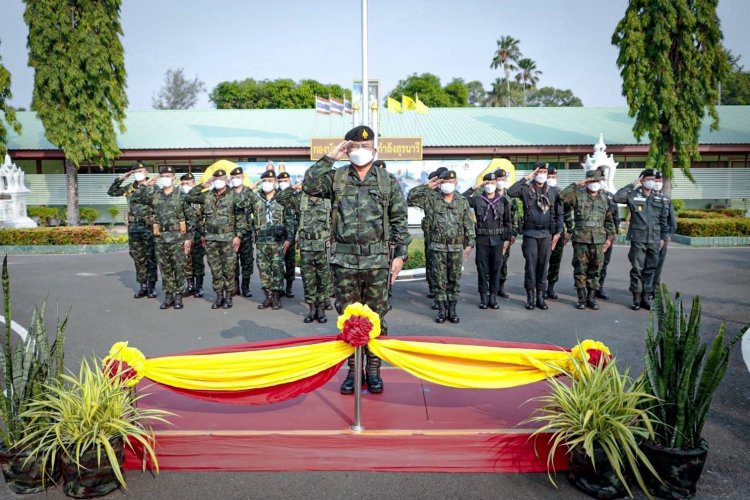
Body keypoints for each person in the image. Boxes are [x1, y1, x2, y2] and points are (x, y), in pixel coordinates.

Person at [303, 125, 411, 395]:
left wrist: (400, 256)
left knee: (376, 318)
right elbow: (309, 185)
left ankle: (373, 371)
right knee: (348, 319)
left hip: (377, 262)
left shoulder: (387, 181)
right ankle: (352, 370)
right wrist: (331, 155)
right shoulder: (337, 178)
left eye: (364, 147)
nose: (359, 151)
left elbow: (399, 220)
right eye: (353, 147)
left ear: (375, 149)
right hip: (344, 261)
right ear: (347, 149)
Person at [409, 169, 475, 323]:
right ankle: (441, 310)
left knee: (454, 280)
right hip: (437, 247)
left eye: (450, 182)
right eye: (444, 182)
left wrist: (470, 242)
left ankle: (452, 310)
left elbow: (468, 223)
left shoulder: (461, 201)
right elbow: (410, 198)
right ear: (440, 183)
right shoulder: (432, 199)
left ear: (455, 183)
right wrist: (428, 185)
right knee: (439, 280)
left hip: (456, 247)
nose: (447, 185)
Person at [131, 166, 194, 310]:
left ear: (174, 178)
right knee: (165, 268)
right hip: (160, 238)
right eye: (162, 175)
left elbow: (191, 219)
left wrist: (188, 238)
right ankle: (168, 296)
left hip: (178, 236)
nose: (165, 178)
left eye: (168, 175)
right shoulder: (155, 195)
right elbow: (135, 197)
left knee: (178, 267)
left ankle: (178, 296)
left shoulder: (182, 195)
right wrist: (146, 184)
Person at [185, 169, 247, 309]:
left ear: (226, 180)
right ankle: (219, 295)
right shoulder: (207, 195)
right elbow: (189, 197)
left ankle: (229, 296)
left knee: (229, 269)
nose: (218, 181)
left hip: (228, 237)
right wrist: (204, 184)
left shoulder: (233, 196)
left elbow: (241, 217)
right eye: (216, 179)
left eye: (221, 179)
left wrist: (238, 236)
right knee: (215, 268)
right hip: (211, 238)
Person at [507, 162, 564, 310]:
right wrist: (526, 178)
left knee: (543, 266)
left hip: (546, 233)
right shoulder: (526, 188)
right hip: (531, 233)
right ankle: (530, 297)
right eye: (540, 171)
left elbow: (559, 213)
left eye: (545, 171)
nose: (543, 174)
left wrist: (558, 232)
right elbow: (511, 192)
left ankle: (540, 296)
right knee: (531, 266)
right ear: (534, 172)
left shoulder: (553, 191)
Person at [277, 181, 333, 323]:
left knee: (323, 279)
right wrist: (294, 187)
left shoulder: (329, 199)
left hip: (323, 246)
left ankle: (321, 309)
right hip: (306, 246)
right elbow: (281, 198)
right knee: (308, 280)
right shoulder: (300, 199)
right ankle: (312, 308)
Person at [613, 169, 670, 310]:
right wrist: (634, 183)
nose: (651, 181)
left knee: (650, 269)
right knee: (637, 268)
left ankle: (646, 297)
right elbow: (617, 197)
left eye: (653, 179)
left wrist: (663, 237)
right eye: (648, 178)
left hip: (655, 238)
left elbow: (663, 219)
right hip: (638, 238)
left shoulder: (659, 198)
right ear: (642, 179)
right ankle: (636, 298)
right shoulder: (633, 195)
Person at [559, 171, 616, 310]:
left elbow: (609, 221)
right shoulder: (578, 195)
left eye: (597, 181)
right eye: (591, 181)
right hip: (581, 239)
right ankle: (581, 298)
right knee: (580, 268)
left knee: (596, 269)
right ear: (587, 181)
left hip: (598, 240)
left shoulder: (604, 198)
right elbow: (561, 197)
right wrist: (577, 184)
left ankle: (591, 298)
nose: (594, 184)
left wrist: (609, 238)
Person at [108, 161, 158, 299]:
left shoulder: (153, 186)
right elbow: (111, 192)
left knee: (151, 257)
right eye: (135, 172)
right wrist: (121, 178)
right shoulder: (129, 187)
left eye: (141, 172)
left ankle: (152, 286)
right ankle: (142, 286)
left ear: (147, 172)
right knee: (138, 257)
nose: (138, 174)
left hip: (149, 226)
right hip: (134, 227)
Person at [463, 171, 512, 309]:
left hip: (498, 240)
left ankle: (493, 297)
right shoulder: (478, 199)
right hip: (482, 240)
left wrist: (507, 240)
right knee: (482, 270)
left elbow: (508, 222)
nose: (490, 185)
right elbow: (461, 198)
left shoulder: (503, 200)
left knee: (496, 269)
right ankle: (483, 297)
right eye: (487, 183)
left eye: (492, 183)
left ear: (497, 184)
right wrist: (475, 187)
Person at [252, 170, 294, 310]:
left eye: (270, 181)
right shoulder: (256, 197)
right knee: (263, 269)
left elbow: (289, 219)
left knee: (277, 269)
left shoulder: (282, 198)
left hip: (277, 241)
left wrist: (289, 239)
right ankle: (268, 296)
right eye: (264, 181)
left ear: (275, 182)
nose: (267, 183)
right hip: (262, 240)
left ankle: (276, 296)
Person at [422, 167, 447, 309]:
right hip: (431, 235)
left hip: (446, 239)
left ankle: (442, 295)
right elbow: (412, 198)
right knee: (432, 264)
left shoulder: (451, 195)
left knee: (443, 268)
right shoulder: (430, 195)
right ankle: (434, 289)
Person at [594, 166, 621, 300]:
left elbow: (615, 218)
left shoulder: (610, 197)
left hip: (607, 237)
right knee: (590, 263)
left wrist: (611, 237)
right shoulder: (586, 194)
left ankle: (600, 287)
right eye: (599, 179)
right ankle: (589, 289)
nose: (601, 181)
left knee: (604, 264)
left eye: (603, 179)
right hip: (591, 236)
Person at [229, 167, 255, 298]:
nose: (235, 180)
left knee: (247, 261)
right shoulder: (228, 193)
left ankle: (245, 286)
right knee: (232, 262)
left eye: (238, 177)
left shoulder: (249, 193)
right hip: (230, 233)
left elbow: (256, 210)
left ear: (242, 177)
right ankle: (235, 286)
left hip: (246, 233)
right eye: (233, 177)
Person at [650, 171, 677, 298]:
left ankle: (654, 290)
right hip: (648, 237)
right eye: (655, 181)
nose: (657, 183)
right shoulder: (645, 198)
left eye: (659, 181)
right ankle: (645, 290)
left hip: (662, 237)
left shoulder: (666, 200)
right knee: (646, 265)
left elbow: (672, 220)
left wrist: (667, 236)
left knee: (658, 265)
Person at [544, 167, 569, 299]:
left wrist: (568, 230)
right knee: (542, 261)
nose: (551, 179)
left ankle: (551, 288)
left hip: (558, 231)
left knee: (555, 261)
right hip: (544, 231)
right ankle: (541, 287)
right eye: (549, 176)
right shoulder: (540, 191)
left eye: (553, 176)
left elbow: (567, 212)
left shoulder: (561, 193)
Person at [180, 173, 206, 298]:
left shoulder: (202, 197)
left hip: (198, 233)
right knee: (186, 261)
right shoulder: (180, 197)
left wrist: (203, 234)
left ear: (194, 184)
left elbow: (206, 216)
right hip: (184, 234)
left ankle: (199, 286)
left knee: (198, 261)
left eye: (188, 183)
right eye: (183, 184)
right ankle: (190, 285)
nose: (185, 186)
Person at [495, 169, 519, 299]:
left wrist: (513, 233)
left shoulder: (510, 198)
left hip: (505, 234)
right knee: (491, 261)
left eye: (502, 179)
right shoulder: (488, 194)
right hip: (491, 234)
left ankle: (501, 287)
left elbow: (515, 217)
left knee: (503, 261)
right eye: (498, 179)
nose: (500, 182)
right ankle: (490, 287)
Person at [277, 171, 298, 298]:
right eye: (280, 181)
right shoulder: (277, 195)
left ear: (290, 181)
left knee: (290, 263)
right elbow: (280, 199)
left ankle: (289, 287)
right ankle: (278, 288)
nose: (283, 183)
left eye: (285, 181)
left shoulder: (296, 196)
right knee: (278, 263)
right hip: (278, 235)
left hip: (291, 234)